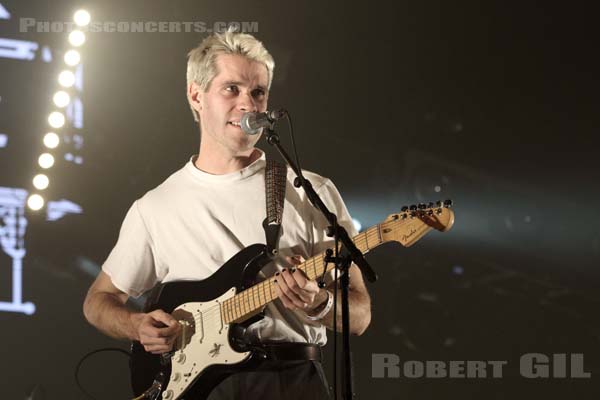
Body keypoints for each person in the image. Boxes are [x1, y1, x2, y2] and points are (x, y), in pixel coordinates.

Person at [83, 30, 371, 400]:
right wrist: (137, 325)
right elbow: (98, 300)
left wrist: (320, 303)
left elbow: (360, 315)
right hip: (199, 389)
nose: (248, 105)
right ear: (195, 95)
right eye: (231, 89)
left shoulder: (309, 191)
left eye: (258, 93)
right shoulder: (155, 206)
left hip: (292, 380)